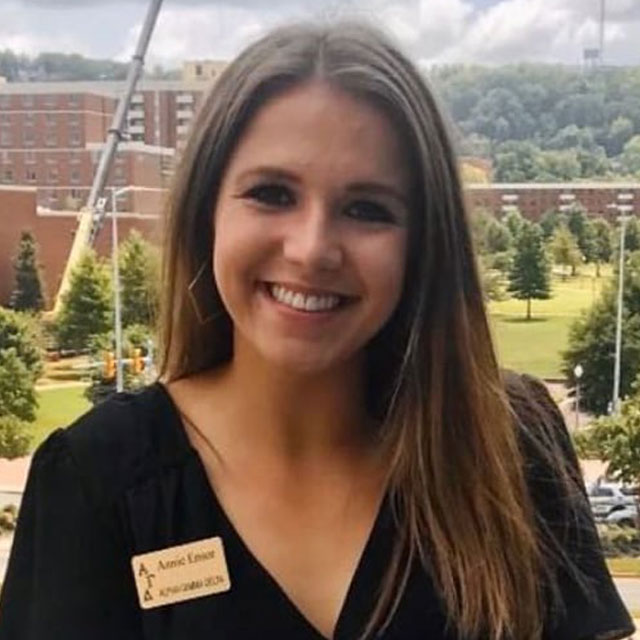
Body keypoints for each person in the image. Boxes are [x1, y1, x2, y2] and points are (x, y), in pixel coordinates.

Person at [0, 20, 634, 640]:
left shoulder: (511, 446)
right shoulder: (94, 481)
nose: (311, 249)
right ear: (207, 211)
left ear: (423, 245)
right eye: (272, 194)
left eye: (367, 209)